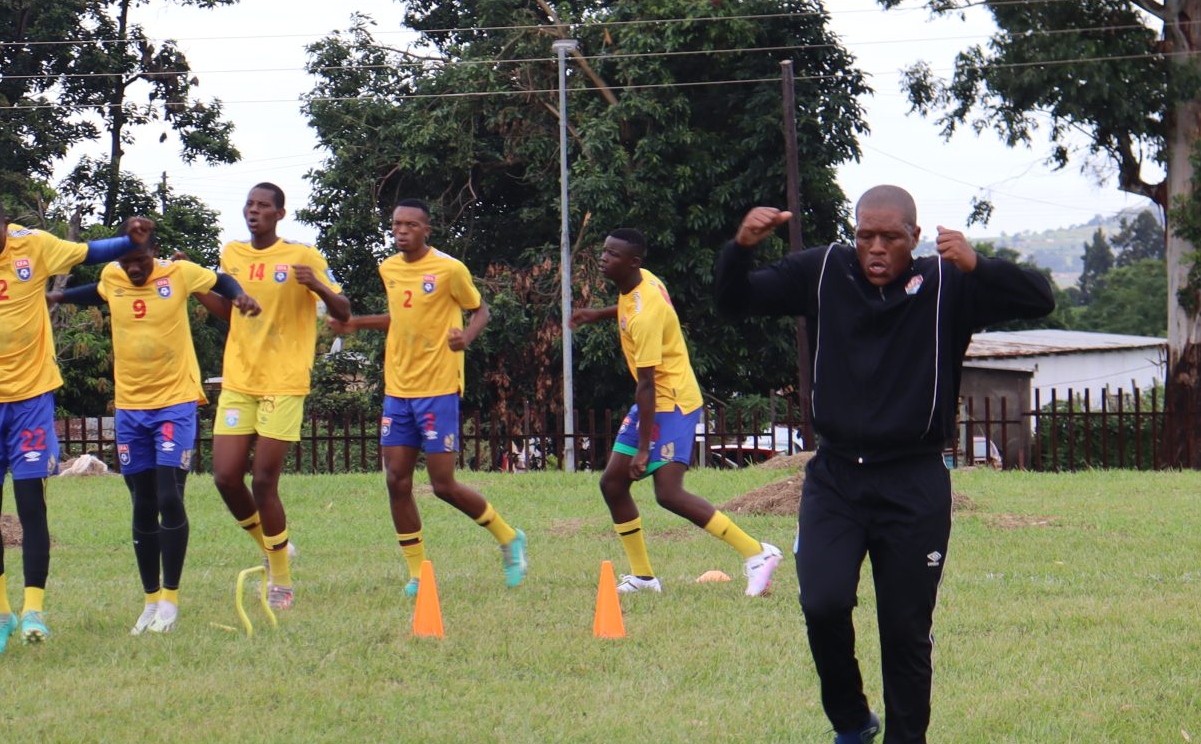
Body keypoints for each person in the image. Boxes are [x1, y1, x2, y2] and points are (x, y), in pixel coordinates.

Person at [715, 186, 1057, 744]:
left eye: (890, 237)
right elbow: (735, 301)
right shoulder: (823, 270)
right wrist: (740, 247)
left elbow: (1040, 297)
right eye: (865, 235)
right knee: (822, 603)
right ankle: (851, 722)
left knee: (905, 635)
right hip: (836, 479)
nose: (875, 249)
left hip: (914, 483)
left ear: (914, 237)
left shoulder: (947, 284)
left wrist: (978, 264)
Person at [0, 191, 151, 654]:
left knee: (30, 504)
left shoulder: (33, 245)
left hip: (31, 397)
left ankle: (34, 608)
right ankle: (0, 612)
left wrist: (128, 239)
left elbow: (87, 252)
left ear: (5, 226)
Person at [51, 236, 258, 633]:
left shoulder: (177, 273)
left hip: (174, 404)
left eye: (139, 261)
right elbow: (97, 291)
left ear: (153, 255)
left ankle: (170, 600)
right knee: (142, 503)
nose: (132, 268)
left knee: (168, 496)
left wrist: (240, 296)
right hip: (131, 409)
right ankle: (149, 600)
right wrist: (57, 296)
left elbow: (220, 280)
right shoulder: (112, 276)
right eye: (125, 261)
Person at [570, 226, 781, 597]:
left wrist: (643, 450)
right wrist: (598, 314)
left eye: (613, 254)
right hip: (654, 402)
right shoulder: (642, 281)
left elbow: (647, 384)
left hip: (673, 403)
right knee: (613, 484)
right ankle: (643, 578)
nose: (603, 258)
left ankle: (756, 553)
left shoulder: (644, 315)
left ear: (633, 262)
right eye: (604, 250)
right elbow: (629, 309)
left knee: (668, 493)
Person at [335, 198, 526, 593]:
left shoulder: (449, 269)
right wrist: (357, 324)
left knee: (443, 484)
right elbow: (400, 317)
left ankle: (509, 537)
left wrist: (465, 338)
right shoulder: (388, 268)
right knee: (396, 480)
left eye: (410, 225)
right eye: (396, 224)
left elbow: (481, 310)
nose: (401, 231)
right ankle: (418, 574)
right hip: (398, 389)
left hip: (438, 387)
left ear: (427, 230)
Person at [209, 182, 352, 610]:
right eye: (249, 204)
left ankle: (282, 583)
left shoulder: (302, 255)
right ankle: (276, 549)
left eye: (263, 206)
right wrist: (195, 287)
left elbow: (344, 311)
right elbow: (228, 312)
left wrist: (318, 286)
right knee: (225, 477)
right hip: (239, 380)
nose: (253, 211)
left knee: (264, 480)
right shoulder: (231, 254)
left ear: (279, 214)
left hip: (284, 382)